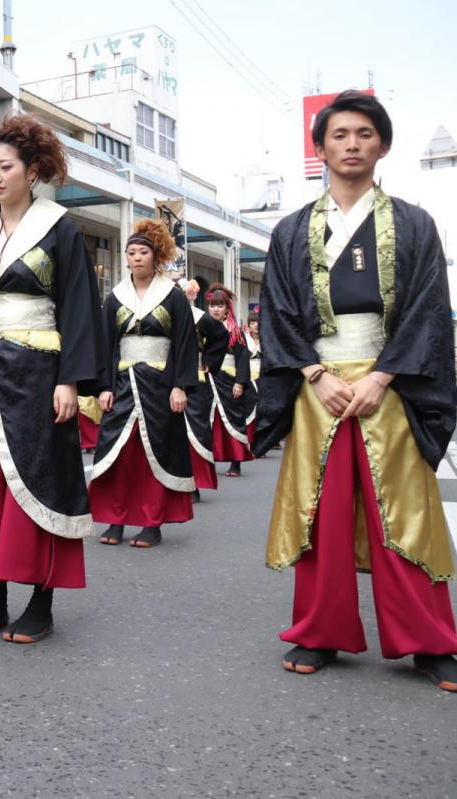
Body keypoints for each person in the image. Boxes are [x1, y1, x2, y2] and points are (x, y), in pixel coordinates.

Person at [253, 91, 457, 690]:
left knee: (406, 510)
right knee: (321, 514)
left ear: (383, 146)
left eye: (364, 134)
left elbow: (426, 309)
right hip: (319, 387)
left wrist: (382, 376)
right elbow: (280, 314)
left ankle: (429, 639)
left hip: (386, 385)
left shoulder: (416, 224)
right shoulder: (291, 231)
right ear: (319, 149)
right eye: (339, 135)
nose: (351, 144)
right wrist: (314, 376)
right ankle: (320, 631)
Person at [0, 115, 104, 643]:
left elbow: (78, 306)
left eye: (5, 166)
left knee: (38, 478)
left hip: (39, 373)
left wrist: (71, 380)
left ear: (33, 171)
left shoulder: (61, 229)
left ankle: (41, 602)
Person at [89, 220, 197, 548]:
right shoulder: (116, 297)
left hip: (160, 385)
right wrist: (104, 386)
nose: (136, 258)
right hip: (122, 383)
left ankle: (152, 522)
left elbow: (185, 343)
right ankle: (117, 519)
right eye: (131, 253)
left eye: (143, 252)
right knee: (118, 453)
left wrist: (181, 386)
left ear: (155, 255)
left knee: (156, 453)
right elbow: (106, 344)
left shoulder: (173, 296)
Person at [179, 278, 229, 502]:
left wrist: (208, 359)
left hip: (196, 380)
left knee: (195, 431)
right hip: (164, 379)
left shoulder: (199, 317)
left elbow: (220, 336)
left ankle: (194, 483)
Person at [204, 284, 255, 477]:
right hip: (208, 380)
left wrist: (240, 382)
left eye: (220, 305)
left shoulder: (235, 331)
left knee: (233, 419)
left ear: (227, 309)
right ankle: (209, 458)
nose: (215, 309)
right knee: (207, 421)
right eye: (212, 305)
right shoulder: (202, 327)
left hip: (229, 380)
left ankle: (236, 460)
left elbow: (242, 359)